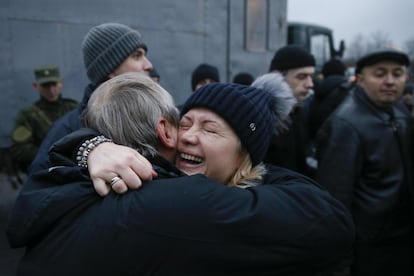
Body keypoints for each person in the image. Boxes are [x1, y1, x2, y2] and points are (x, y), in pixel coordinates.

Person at [7, 73, 354, 275]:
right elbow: (331, 222)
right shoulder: (184, 203)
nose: (187, 136)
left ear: (245, 152)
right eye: (183, 122)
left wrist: (87, 146)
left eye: (211, 129)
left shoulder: (66, 183)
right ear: (165, 129)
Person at [315, 48, 413, 276]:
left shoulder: (400, 111)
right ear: (360, 80)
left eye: (397, 74)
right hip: (370, 246)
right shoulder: (345, 125)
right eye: (380, 74)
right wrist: (340, 261)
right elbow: (335, 198)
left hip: (402, 237)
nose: (390, 81)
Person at [28, 22, 153, 174]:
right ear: (110, 68)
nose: (149, 65)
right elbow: (36, 191)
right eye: (137, 56)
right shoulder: (67, 130)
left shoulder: (157, 117)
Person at [10, 65, 78, 171]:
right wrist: (49, 155)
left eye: (54, 84)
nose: (51, 90)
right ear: (36, 86)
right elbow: (19, 149)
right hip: (45, 170)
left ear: (60, 82)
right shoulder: (28, 115)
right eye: (45, 86)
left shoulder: (73, 108)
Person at [267, 45, 315, 176]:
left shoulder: (297, 112)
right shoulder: (263, 118)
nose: (310, 84)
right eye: (302, 76)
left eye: (311, 76)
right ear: (277, 77)